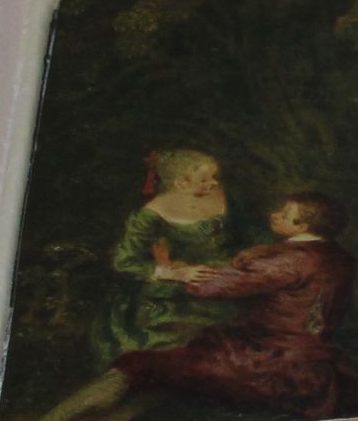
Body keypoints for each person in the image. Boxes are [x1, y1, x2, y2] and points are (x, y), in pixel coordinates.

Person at [3, 191, 358, 421]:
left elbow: (212, 287)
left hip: (268, 363)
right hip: (314, 365)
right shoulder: (337, 257)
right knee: (176, 363)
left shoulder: (291, 259)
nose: (275, 214)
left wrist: (177, 271)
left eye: (285, 212)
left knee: (138, 363)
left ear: (303, 225)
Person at [91, 148, 244, 367]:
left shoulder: (219, 197)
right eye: (204, 179)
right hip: (176, 294)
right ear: (181, 183)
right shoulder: (151, 215)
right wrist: (176, 273)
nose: (213, 183)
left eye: (214, 177)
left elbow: (237, 240)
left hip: (223, 280)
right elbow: (124, 262)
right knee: (187, 344)